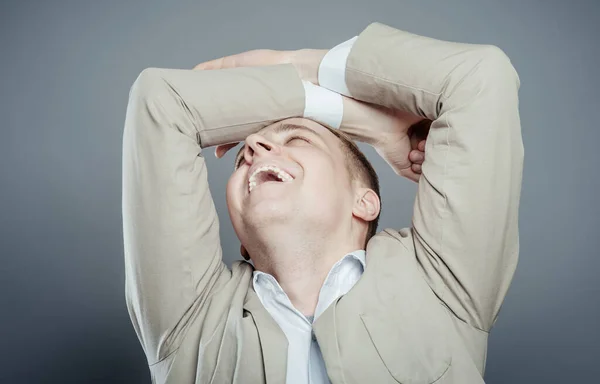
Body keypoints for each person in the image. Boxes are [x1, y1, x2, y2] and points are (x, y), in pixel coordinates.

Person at [122, 22, 523, 384]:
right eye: (243, 157)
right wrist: (366, 123)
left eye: (298, 139)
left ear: (365, 202)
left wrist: (298, 65)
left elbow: (479, 76)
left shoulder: (441, 282)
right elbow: (162, 100)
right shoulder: (192, 318)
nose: (253, 147)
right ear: (242, 239)